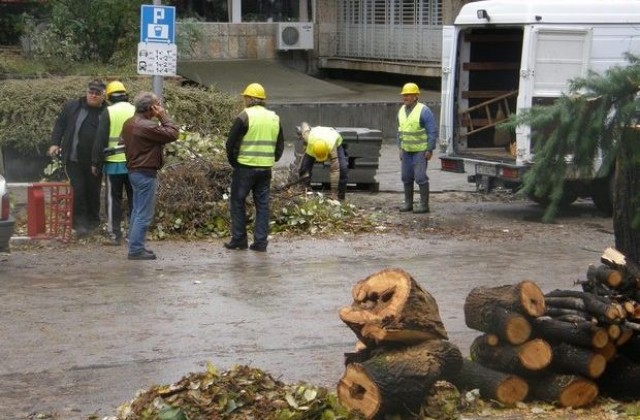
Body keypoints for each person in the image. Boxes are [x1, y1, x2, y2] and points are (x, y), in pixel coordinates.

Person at [224, 82, 284, 252]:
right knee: (263, 205)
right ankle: (260, 243)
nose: (244, 100)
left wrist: (234, 162)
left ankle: (239, 240)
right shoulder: (274, 117)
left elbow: (231, 143)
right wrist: (272, 159)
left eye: (245, 97)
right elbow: (280, 145)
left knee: (237, 202)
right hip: (265, 169)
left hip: (244, 167)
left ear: (250, 98)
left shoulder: (244, 116)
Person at [120, 92, 179, 260]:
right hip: (145, 172)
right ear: (150, 108)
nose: (159, 107)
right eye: (157, 104)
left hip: (135, 171)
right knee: (143, 213)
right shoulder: (145, 126)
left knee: (137, 211)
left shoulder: (130, 123)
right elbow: (173, 133)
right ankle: (136, 249)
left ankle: (135, 245)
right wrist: (163, 116)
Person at [49, 79, 107, 236]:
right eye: (91, 92)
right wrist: (55, 143)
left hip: (95, 161)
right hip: (73, 158)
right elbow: (59, 125)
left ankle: (93, 222)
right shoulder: (72, 106)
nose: (93, 96)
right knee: (78, 190)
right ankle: (79, 224)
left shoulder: (107, 111)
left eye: (97, 93)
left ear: (103, 95)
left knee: (93, 191)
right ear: (86, 92)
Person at [91, 81, 135, 246]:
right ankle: (134, 235)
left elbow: (100, 138)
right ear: (125, 95)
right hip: (134, 164)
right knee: (134, 200)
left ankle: (115, 236)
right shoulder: (135, 110)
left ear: (109, 97)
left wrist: (96, 162)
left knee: (113, 201)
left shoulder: (108, 111)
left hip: (113, 164)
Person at [397, 82, 438, 213]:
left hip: (420, 151)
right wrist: (400, 148)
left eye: (408, 95)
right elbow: (400, 131)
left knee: (420, 177)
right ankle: (408, 203)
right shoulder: (401, 111)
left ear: (416, 96)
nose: (405, 98)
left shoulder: (424, 111)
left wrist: (429, 149)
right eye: (404, 95)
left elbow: (432, 131)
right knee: (406, 177)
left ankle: (424, 205)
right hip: (406, 150)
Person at [298, 125, 348, 200]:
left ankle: (340, 198)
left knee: (342, 169)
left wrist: (333, 191)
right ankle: (304, 192)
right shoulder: (310, 143)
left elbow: (335, 170)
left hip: (334, 141)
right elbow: (304, 127)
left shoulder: (331, 147)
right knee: (304, 169)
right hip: (315, 134)